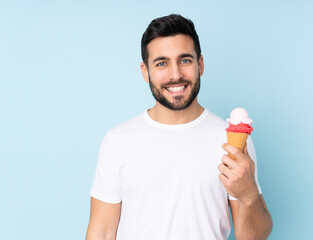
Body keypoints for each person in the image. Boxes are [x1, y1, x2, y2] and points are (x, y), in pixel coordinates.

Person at [86, 14, 272, 240]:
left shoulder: (231, 142)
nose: (175, 75)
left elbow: (253, 238)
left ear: (200, 64)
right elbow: (101, 232)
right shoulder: (117, 140)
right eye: (162, 63)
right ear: (145, 72)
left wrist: (250, 196)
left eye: (185, 60)